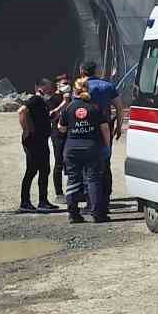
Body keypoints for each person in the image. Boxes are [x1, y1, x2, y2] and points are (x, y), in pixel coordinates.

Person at [60, 78, 111, 223]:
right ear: (88, 89)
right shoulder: (94, 107)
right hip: (92, 148)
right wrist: (106, 146)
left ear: (74, 91)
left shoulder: (69, 107)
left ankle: (73, 214)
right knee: (93, 180)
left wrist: (73, 128)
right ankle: (97, 214)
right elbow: (105, 128)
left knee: (73, 180)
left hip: (72, 148)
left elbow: (61, 128)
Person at [82, 61, 121, 208]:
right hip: (106, 129)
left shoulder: (80, 87)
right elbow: (119, 107)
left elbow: (75, 108)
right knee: (105, 162)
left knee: (88, 165)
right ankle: (106, 198)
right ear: (97, 71)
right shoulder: (108, 86)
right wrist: (118, 127)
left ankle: (90, 201)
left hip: (86, 130)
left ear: (82, 71)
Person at [18, 78, 59, 212]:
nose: (49, 90)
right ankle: (25, 202)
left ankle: (43, 201)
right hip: (34, 141)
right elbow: (22, 111)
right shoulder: (35, 99)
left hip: (42, 141)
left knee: (45, 170)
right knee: (31, 171)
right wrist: (26, 130)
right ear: (38, 87)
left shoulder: (42, 102)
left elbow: (42, 117)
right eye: (47, 88)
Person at [48, 73, 71, 200]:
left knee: (72, 163)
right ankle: (59, 193)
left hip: (71, 133)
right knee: (59, 163)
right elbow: (53, 116)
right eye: (65, 84)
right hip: (58, 135)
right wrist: (64, 102)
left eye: (69, 83)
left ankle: (74, 191)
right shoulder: (53, 99)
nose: (68, 86)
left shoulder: (72, 97)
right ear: (57, 85)